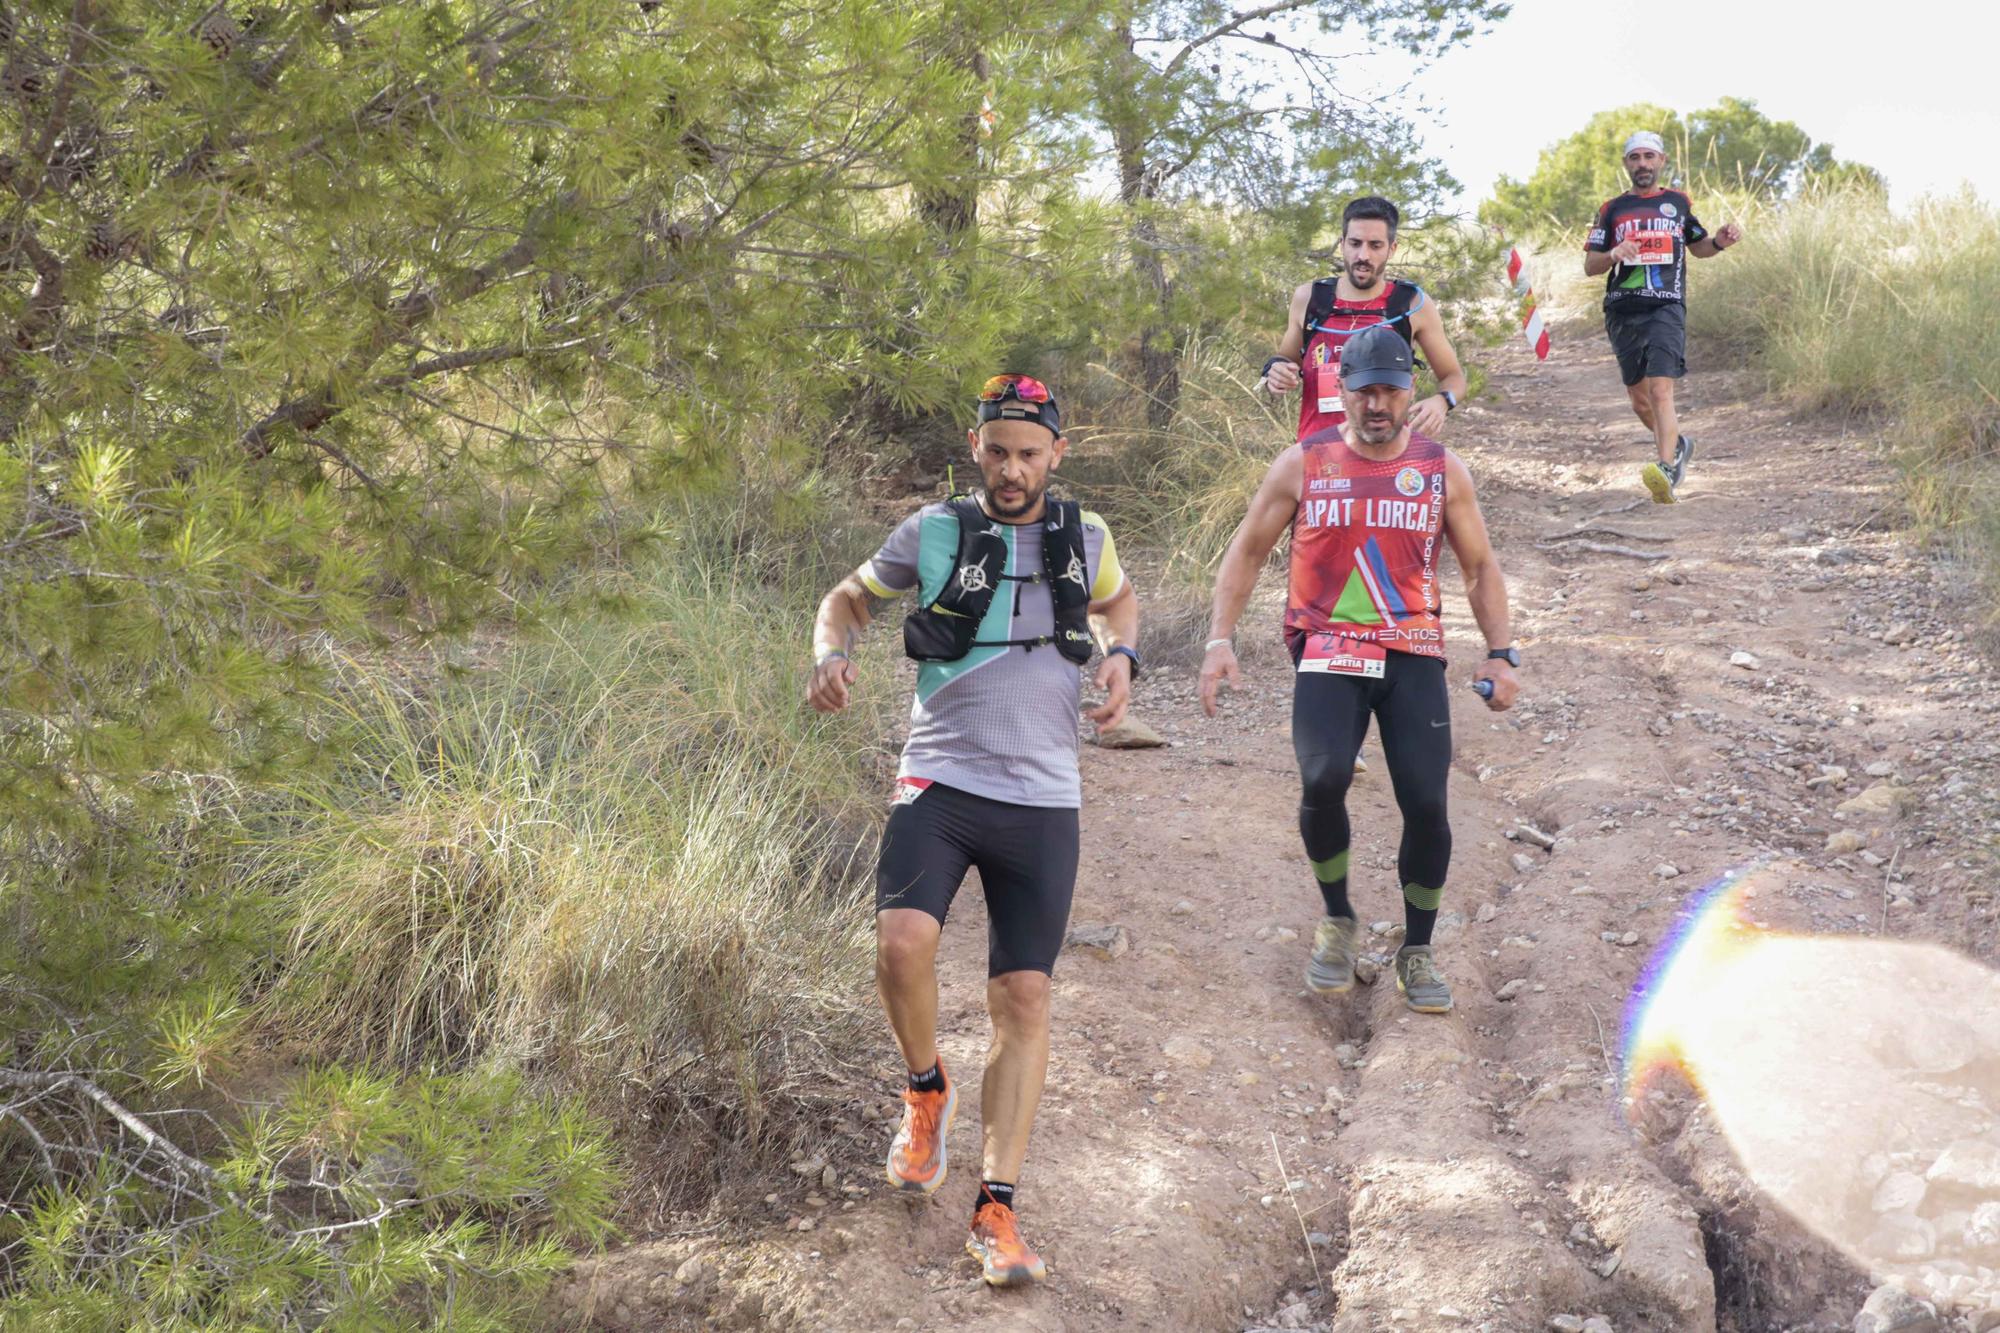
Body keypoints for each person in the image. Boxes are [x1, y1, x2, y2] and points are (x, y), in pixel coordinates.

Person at [806, 374, 1139, 1287]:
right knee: (901, 945)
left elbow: (1119, 606)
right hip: (941, 778)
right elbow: (847, 597)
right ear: (974, 445)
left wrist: (1124, 664)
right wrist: (830, 654)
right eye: (997, 450)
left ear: (1056, 456)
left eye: (1029, 453)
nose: (1012, 469)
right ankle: (926, 1092)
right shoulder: (934, 529)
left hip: (1042, 795)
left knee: (1023, 998)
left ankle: (997, 1206)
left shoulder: (1087, 536)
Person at [1200, 324, 1518, 1014]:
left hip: (1412, 652)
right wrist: (1218, 639)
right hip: (1328, 647)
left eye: (1391, 390)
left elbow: (1479, 565)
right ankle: (1338, 916)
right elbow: (1249, 550)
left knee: (1428, 803)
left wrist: (1502, 649)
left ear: (1411, 392)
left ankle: (1418, 948)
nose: (1378, 404)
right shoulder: (1303, 462)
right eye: (1363, 391)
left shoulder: (1441, 469)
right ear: (1338, 391)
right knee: (1322, 777)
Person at [1584, 130, 1744, 504]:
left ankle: (1665, 468)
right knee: (1639, 401)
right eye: (1635, 157)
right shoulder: (1612, 209)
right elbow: (1590, 265)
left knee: (1660, 390)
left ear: (1661, 161)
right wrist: (1613, 253)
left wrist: (1719, 242)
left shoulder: (1678, 203)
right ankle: (1678, 445)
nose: (1642, 164)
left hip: (1666, 306)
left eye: (1648, 157)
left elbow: (1699, 248)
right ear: (1626, 163)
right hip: (1623, 309)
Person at [1261, 196, 1470, 444]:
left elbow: (1453, 377)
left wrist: (1442, 402)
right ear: (1342, 245)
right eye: (1355, 243)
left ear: (1392, 249)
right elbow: (1284, 360)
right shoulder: (1310, 298)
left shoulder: (1411, 305)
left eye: (1375, 245)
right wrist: (1275, 373)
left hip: (1385, 457)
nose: (1363, 255)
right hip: (1319, 458)